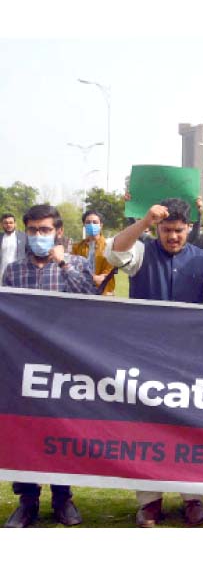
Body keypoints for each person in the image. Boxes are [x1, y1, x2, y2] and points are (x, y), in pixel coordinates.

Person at [105, 198, 203, 527]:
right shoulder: (141, 252)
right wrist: (142, 222)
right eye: (166, 230)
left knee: (190, 429)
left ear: (190, 229)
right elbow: (114, 252)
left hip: (189, 361)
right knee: (145, 430)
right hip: (144, 357)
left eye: (179, 231)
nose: (173, 237)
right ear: (157, 228)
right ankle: (149, 501)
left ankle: (192, 495)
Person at [3, 204, 96, 528]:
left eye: (44, 230)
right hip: (23, 366)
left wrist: (63, 262)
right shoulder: (13, 272)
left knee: (60, 432)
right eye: (33, 230)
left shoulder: (77, 264)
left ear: (58, 231)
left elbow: (91, 298)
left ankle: (62, 498)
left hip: (63, 367)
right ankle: (27, 502)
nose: (38, 236)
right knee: (24, 433)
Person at [71, 210, 116, 295]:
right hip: (81, 292)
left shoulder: (110, 246)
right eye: (88, 222)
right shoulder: (76, 247)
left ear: (101, 225)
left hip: (104, 292)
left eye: (95, 222)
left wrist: (90, 278)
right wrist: (91, 278)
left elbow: (107, 272)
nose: (91, 225)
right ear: (84, 225)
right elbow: (73, 269)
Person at [0, 212, 27, 282]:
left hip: (19, 272)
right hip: (1, 272)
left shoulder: (24, 236)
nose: (8, 225)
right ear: (2, 224)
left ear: (15, 224)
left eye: (11, 222)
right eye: (6, 223)